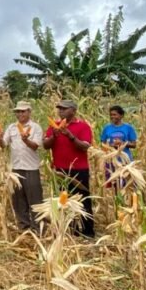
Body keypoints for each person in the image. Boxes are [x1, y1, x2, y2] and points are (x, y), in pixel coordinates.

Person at [43, 100, 95, 238]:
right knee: (63, 201)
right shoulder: (54, 126)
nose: (60, 111)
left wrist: (70, 135)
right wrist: (54, 135)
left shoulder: (83, 127)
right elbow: (46, 145)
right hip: (60, 170)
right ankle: (69, 229)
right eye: (59, 108)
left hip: (79, 169)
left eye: (64, 109)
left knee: (83, 200)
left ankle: (87, 231)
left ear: (73, 110)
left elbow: (85, 146)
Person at [0, 101, 44, 230]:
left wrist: (25, 140)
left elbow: (35, 146)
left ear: (29, 112)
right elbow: (4, 145)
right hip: (16, 168)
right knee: (18, 199)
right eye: (18, 111)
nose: (20, 114)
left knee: (35, 199)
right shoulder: (12, 127)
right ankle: (23, 225)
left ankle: (38, 227)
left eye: (23, 111)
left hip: (31, 168)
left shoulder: (36, 127)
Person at [100, 105, 138, 187]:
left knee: (127, 184)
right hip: (111, 161)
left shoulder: (128, 128)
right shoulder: (107, 128)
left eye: (115, 114)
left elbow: (134, 144)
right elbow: (102, 144)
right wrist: (111, 146)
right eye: (111, 115)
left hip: (125, 160)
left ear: (121, 115)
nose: (112, 117)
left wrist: (123, 144)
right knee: (113, 185)